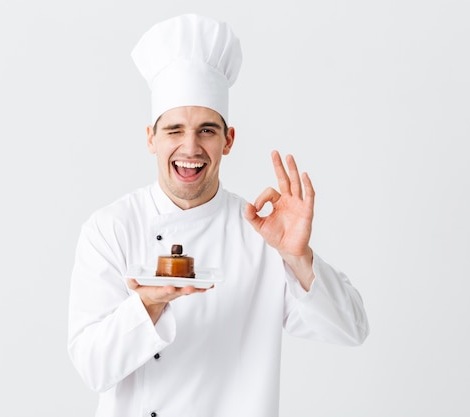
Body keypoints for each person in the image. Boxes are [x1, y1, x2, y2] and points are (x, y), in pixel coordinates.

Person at [68, 13, 369, 417]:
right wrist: (149, 305)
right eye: (174, 130)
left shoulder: (261, 235)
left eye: (207, 130)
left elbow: (351, 330)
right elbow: (92, 367)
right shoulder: (110, 229)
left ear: (228, 140)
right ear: (150, 139)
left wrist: (298, 255)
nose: (190, 148)